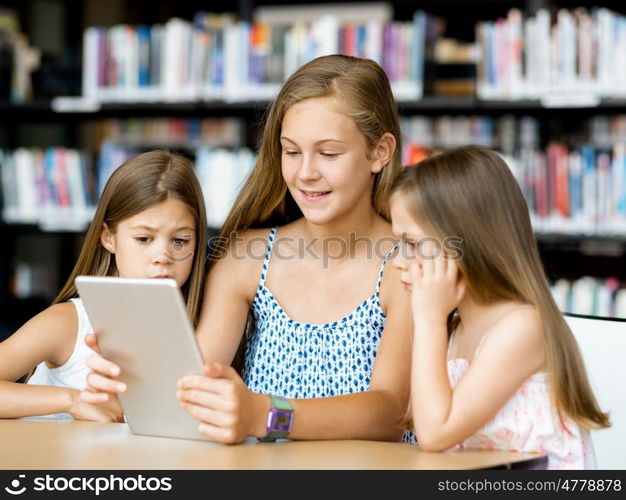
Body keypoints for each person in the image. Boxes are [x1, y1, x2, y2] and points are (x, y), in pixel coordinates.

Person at [82, 54, 413, 444]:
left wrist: (267, 415)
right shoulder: (245, 258)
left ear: (380, 152)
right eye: (291, 151)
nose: (305, 172)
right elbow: (192, 386)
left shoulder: (408, 264)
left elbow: (390, 411)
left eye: (328, 153)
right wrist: (131, 389)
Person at [390, 145, 610, 469]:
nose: (397, 261)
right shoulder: (454, 328)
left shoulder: (521, 328)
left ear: (466, 242)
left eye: (411, 244)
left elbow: (435, 434)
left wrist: (429, 320)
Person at [0, 150, 207, 421]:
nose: (162, 256)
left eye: (180, 241)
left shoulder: (205, 328)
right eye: (144, 238)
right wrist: (72, 401)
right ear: (109, 239)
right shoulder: (69, 322)